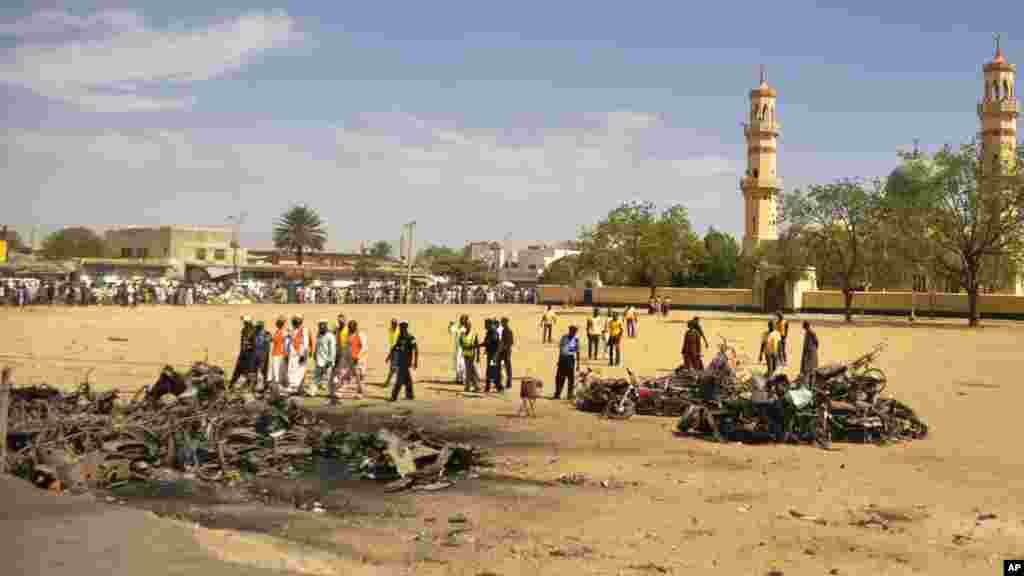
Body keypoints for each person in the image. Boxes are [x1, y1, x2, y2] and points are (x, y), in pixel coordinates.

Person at [386, 321, 418, 401]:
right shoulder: (400, 337)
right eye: (399, 328)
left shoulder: (411, 337)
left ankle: (394, 397)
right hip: (400, 361)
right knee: (408, 379)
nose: (400, 330)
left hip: (406, 362)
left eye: (401, 328)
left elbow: (416, 350)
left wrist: (415, 362)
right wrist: (389, 356)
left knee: (399, 380)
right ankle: (410, 395)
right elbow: (395, 346)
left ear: (405, 328)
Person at [553, 325, 581, 400]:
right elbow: (561, 349)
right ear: (569, 330)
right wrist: (559, 360)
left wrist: (578, 364)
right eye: (572, 331)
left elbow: (578, 352)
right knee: (559, 377)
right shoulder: (564, 337)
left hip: (570, 359)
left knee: (570, 378)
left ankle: (570, 395)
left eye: (575, 331)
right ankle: (557, 393)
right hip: (563, 358)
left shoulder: (576, 339)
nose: (573, 333)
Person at [286, 314, 309, 395]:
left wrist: (303, 354)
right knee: (291, 369)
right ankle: (293, 387)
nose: (294, 321)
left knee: (299, 370)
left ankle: (295, 387)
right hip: (293, 354)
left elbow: (305, 343)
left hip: (300, 354)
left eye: (296, 320)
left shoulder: (304, 330)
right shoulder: (293, 330)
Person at [230, 316, 255, 386]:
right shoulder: (244, 330)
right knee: (238, 369)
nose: (244, 323)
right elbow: (242, 342)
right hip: (243, 352)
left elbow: (254, 344)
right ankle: (232, 384)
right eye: (244, 322)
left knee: (248, 370)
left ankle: (247, 384)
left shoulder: (253, 331)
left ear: (248, 322)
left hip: (249, 354)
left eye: (245, 322)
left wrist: (249, 346)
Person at [314, 319, 336, 397]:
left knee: (329, 378)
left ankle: (332, 393)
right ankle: (313, 391)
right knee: (316, 377)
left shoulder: (330, 336)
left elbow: (332, 350)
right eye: (320, 326)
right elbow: (317, 346)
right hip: (319, 359)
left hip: (327, 361)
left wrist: (330, 361)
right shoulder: (319, 335)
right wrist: (314, 354)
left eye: (322, 326)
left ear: (326, 326)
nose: (321, 327)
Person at [267, 316, 289, 394]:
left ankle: (277, 387)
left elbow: (276, 340)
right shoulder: (281, 332)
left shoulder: (282, 332)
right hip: (278, 353)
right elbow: (274, 340)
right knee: (277, 371)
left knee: (277, 371)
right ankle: (277, 387)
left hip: (279, 354)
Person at [460, 319, 482, 393]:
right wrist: (464, 347)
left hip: (472, 355)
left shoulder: (474, 334)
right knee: (469, 371)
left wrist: (478, 356)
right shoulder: (462, 334)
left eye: (468, 325)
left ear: (470, 326)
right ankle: (472, 387)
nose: (467, 326)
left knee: (471, 372)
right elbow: (461, 343)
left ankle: (472, 387)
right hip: (466, 355)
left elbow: (477, 345)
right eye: (466, 325)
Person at [347, 320, 367, 398]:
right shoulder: (349, 335)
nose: (350, 329)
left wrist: (358, 356)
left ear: (355, 327)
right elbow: (349, 347)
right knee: (357, 376)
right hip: (352, 359)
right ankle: (360, 391)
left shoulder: (361, 335)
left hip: (360, 359)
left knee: (360, 376)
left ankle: (360, 392)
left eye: (352, 327)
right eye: (349, 327)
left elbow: (364, 347)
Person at [251, 320, 270, 389]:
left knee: (262, 370)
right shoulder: (255, 333)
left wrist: (264, 354)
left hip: (262, 354)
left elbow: (268, 343)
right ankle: (255, 385)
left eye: (258, 327)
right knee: (255, 370)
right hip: (256, 354)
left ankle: (262, 385)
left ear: (261, 327)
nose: (257, 328)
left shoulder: (266, 334)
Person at [383, 318, 400, 388]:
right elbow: (392, 342)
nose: (394, 325)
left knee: (394, 368)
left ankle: (388, 382)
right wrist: (390, 354)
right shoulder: (390, 330)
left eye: (395, 324)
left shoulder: (399, 331)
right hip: (393, 350)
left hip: (398, 351)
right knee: (394, 368)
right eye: (393, 323)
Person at [498, 317, 514, 390]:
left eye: (502, 322)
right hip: (506, 351)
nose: (501, 323)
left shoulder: (507, 331)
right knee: (507, 367)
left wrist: (501, 349)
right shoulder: (506, 330)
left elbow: (506, 343)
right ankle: (508, 383)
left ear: (505, 322)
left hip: (505, 352)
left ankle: (508, 383)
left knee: (507, 367)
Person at [449, 318, 465, 384]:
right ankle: (458, 378)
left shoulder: (465, 328)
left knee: (463, 363)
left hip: (464, 348)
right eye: (461, 320)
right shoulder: (458, 328)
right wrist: (451, 325)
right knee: (458, 363)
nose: (461, 321)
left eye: (463, 320)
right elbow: (451, 330)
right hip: (458, 348)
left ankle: (463, 379)